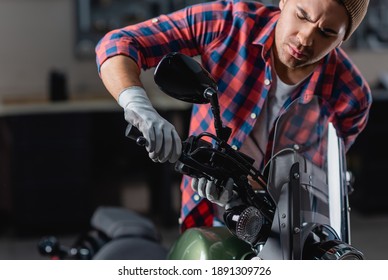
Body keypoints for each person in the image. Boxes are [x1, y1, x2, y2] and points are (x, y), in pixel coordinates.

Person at [95, 0, 371, 232]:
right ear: (284, 1)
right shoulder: (228, 23)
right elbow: (118, 42)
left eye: (327, 32)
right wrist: (137, 103)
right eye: (301, 15)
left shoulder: (351, 96)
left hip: (283, 229)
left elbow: (320, 183)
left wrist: (251, 195)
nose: (306, 38)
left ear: (343, 37)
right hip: (204, 210)